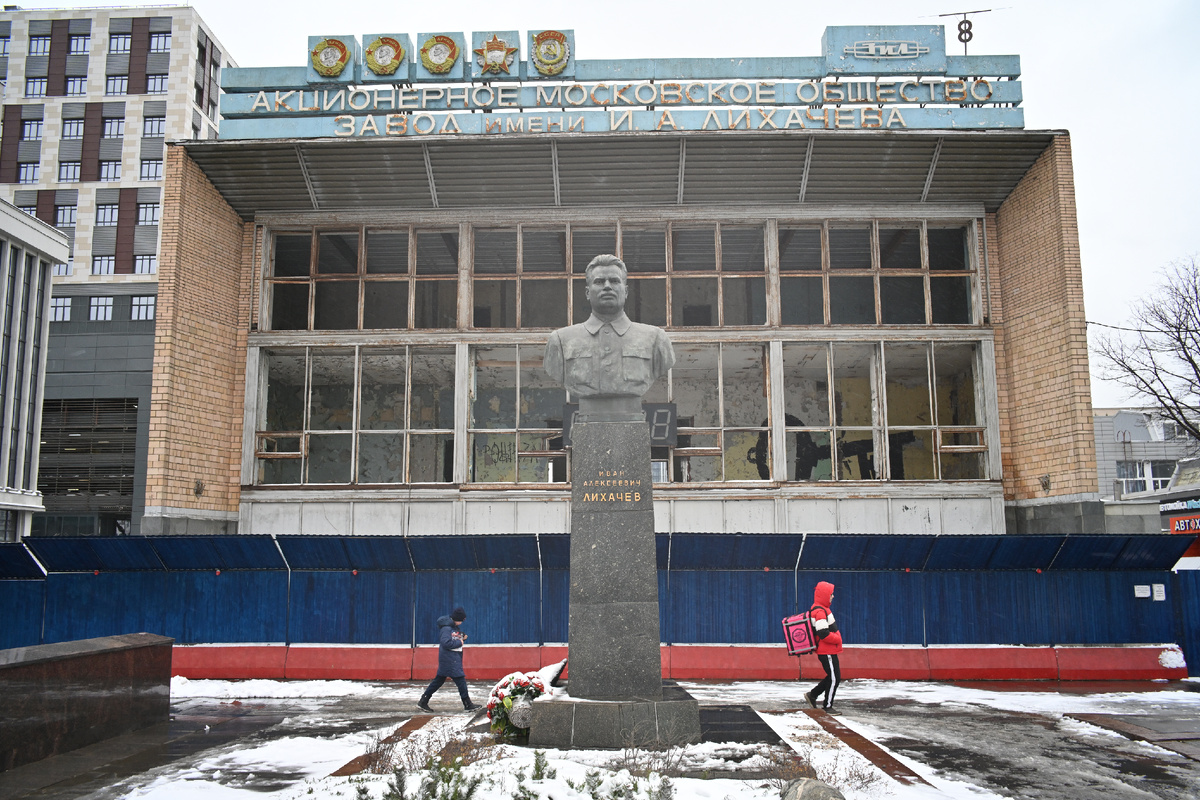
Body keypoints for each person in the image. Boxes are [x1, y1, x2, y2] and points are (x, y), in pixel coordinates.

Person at [543, 254, 675, 421]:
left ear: (625, 291)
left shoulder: (656, 339)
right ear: (587, 292)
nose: (607, 286)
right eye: (599, 282)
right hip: (587, 417)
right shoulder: (560, 341)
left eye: (614, 281)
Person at [417, 606, 480, 712]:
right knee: (461, 680)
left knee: (438, 681)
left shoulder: (452, 627)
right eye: (462, 620)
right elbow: (446, 643)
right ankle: (467, 704)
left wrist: (461, 636)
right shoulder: (446, 628)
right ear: (458, 619)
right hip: (450, 660)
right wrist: (459, 642)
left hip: (449, 659)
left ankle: (423, 701)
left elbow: (453, 637)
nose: (462, 623)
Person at [805, 581, 843, 714]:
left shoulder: (821, 609)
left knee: (833, 676)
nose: (833, 596)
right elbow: (823, 633)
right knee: (834, 678)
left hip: (828, 650)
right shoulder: (820, 611)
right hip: (826, 650)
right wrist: (837, 638)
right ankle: (827, 706)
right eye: (831, 594)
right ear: (825, 595)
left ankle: (813, 695)